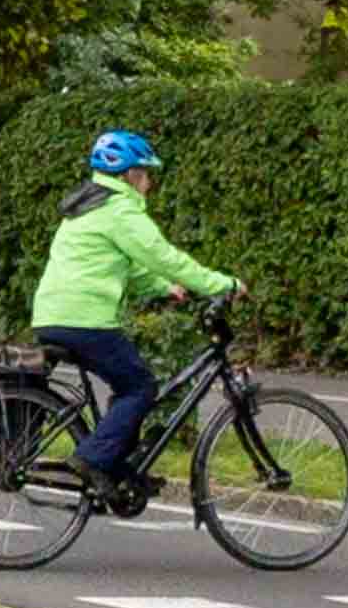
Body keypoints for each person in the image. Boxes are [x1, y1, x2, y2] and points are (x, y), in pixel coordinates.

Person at [31, 130, 241, 501]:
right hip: (85, 320)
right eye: (145, 173)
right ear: (128, 174)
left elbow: (128, 264)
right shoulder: (120, 210)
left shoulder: (87, 205)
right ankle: (92, 459)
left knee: (127, 385)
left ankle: (114, 468)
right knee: (140, 387)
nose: (150, 182)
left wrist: (165, 287)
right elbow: (161, 254)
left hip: (52, 315)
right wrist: (219, 284)